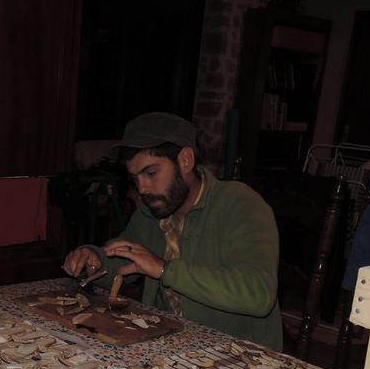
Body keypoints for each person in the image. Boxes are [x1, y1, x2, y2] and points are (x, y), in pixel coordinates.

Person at [62, 112, 282, 350]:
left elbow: (258, 294)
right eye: (135, 178)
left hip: (239, 355)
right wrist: (95, 260)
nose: (142, 189)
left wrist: (165, 270)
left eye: (150, 173)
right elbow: (125, 259)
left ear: (185, 160)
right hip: (170, 342)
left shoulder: (241, 204)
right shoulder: (153, 210)